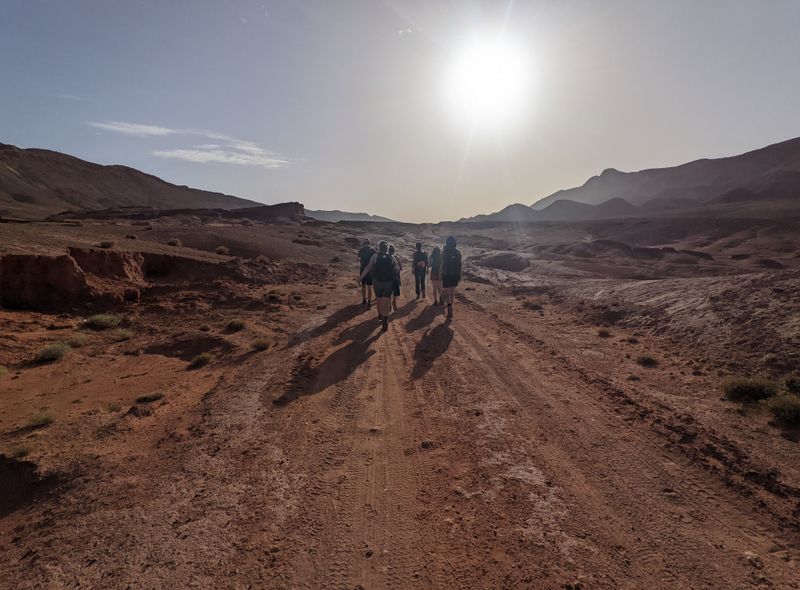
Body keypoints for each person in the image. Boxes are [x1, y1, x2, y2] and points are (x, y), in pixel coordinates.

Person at [360, 241, 398, 331]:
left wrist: (361, 277)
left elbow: (368, 267)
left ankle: (380, 314)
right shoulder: (392, 257)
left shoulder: (375, 256)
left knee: (379, 300)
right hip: (388, 283)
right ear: (387, 249)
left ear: (379, 248)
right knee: (386, 302)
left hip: (377, 282)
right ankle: (385, 319)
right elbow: (397, 268)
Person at [440, 236, 462, 320]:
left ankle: (449, 305)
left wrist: (440, 275)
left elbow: (442, 265)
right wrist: (460, 275)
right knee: (452, 292)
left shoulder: (444, 252)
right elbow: (460, 265)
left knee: (447, 291)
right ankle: (451, 306)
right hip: (455, 275)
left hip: (446, 275)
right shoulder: (458, 252)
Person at [357, 239, 376, 307]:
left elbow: (358, 258)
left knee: (363, 285)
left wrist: (361, 260)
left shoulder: (361, 250)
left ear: (364, 244)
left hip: (362, 269)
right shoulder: (373, 250)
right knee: (369, 286)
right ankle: (369, 302)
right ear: (369, 243)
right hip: (370, 270)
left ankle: (364, 299)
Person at [388, 244, 402, 312]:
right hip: (396, 277)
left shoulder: (386, 257)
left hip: (387, 278)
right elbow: (400, 267)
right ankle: (394, 301)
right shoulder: (396, 257)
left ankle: (390, 304)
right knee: (395, 291)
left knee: (389, 292)